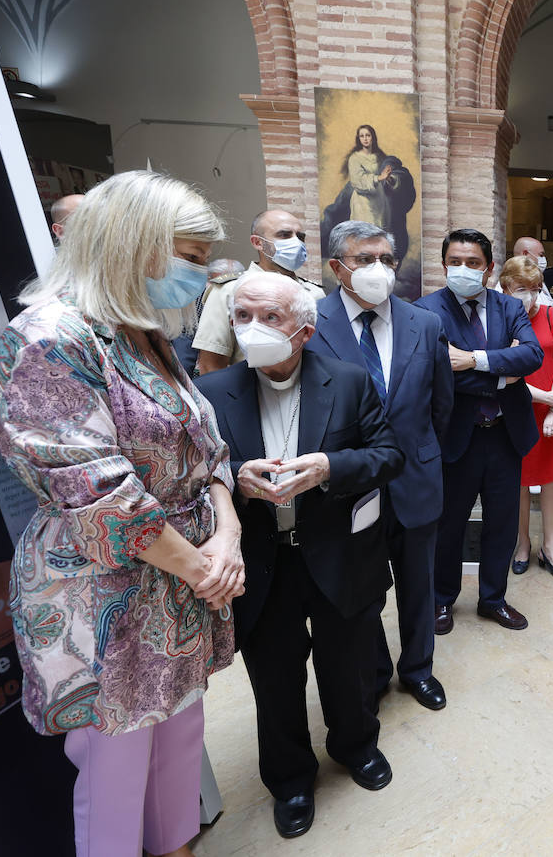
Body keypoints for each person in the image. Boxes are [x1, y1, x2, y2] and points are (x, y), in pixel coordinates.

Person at [0, 170, 244, 857]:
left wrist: (229, 532)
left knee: (180, 749)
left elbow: (210, 448)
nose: (199, 275)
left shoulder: (142, 335)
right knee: (115, 778)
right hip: (108, 597)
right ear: (132, 245)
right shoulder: (51, 339)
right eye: (188, 258)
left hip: (182, 590)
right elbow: (95, 491)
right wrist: (203, 569)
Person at [196, 270, 405, 839]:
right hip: (264, 563)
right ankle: (289, 780)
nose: (253, 329)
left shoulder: (349, 380)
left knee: (348, 665)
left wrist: (330, 468)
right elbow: (194, 477)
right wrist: (233, 480)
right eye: (243, 317)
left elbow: (388, 455)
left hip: (339, 554)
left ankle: (356, 745)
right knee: (275, 679)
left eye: (270, 318)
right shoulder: (211, 393)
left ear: (305, 330)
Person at [306, 220, 454, 711]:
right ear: (337, 268)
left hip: (416, 477)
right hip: (349, 487)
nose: (378, 269)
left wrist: (425, 454)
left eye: (387, 260)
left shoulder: (425, 324)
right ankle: (373, 669)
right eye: (364, 259)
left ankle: (418, 669)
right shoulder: (311, 323)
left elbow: (441, 406)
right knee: (361, 590)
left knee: (419, 583)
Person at [416, 229, 543, 631]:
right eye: (455, 262)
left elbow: (532, 355)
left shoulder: (509, 307)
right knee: (449, 525)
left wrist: (472, 360)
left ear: (489, 268)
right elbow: (436, 374)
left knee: (502, 523)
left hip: (505, 434)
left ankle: (493, 598)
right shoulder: (425, 311)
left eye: (473, 263)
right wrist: (502, 373)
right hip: (457, 438)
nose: (463, 269)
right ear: (443, 266)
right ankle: (441, 600)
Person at [499, 257, 553, 579]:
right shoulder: (498, 321)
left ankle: (549, 546)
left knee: (552, 481)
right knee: (518, 482)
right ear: (505, 288)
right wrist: (544, 399)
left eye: (535, 288)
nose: (530, 296)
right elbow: (505, 373)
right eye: (522, 289)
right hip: (520, 408)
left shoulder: (550, 314)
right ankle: (522, 545)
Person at [193, 208, 324, 374]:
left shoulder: (314, 293)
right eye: (284, 235)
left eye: (300, 237)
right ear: (258, 242)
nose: (296, 243)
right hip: (247, 393)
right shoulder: (229, 291)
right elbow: (211, 365)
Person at [320, 124, 417, 266]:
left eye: (368, 135)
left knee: (380, 236)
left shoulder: (380, 158)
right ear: (358, 139)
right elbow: (357, 181)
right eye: (362, 136)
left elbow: (387, 178)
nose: (365, 139)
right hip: (363, 202)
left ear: (373, 137)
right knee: (363, 238)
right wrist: (378, 178)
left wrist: (389, 179)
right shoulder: (355, 158)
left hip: (380, 202)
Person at [508, 236, 553, 306]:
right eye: (541, 255)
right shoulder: (509, 284)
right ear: (525, 254)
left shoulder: (539, 281)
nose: (543, 259)